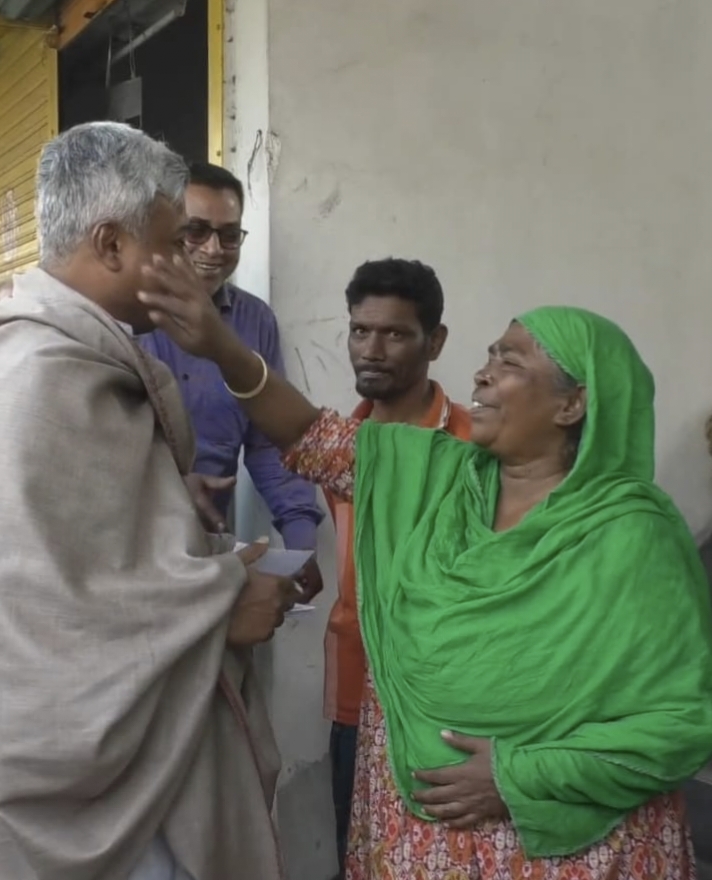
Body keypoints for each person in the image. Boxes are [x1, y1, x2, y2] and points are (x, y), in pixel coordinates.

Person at [137, 258, 712, 879]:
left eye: (511, 363)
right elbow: (309, 435)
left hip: (576, 851)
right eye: (489, 356)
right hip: (410, 839)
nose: (482, 374)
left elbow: (681, 720)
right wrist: (222, 348)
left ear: (572, 404)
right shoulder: (432, 475)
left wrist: (518, 775)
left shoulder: (633, 534)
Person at [0, 121, 295, 880]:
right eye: (172, 243)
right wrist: (224, 597)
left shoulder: (67, 353)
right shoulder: (34, 374)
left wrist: (200, 537)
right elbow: (35, 602)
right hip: (100, 783)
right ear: (110, 244)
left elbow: (106, 553)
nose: (191, 265)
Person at [319, 258, 472, 877]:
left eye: (394, 334)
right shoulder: (338, 443)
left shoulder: (474, 445)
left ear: (435, 342)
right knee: (357, 857)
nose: (372, 350)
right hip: (354, 685)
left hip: (440, 702)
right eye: (360, 331)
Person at [138, 162, 322, 595]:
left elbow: (269, 441)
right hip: (130, 554)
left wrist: (301, 537)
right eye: (196, 231)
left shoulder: (254, 321)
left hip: (210, 552)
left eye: (229, 235)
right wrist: (167, 488)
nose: (213, 249)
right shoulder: (125, 314)